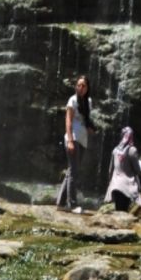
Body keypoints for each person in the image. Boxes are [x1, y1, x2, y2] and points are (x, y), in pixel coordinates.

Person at [56, 75, 96, 214]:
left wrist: (90, 128)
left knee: (71, 171)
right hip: (72, 139)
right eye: (78, 85)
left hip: (82, 140)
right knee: (74, 171)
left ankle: (60, 203)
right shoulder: (72, 100)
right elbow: (68, 121)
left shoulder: (88, 102)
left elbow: (86, 119)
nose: (80, 87)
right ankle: (72, 204)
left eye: (83, 85)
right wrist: (71, 141)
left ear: (87, 88)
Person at [104, 127, 141, 211]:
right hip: (127, 187)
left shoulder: (115, 150)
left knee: (117, 209)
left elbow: (110, 170)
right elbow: (137, 170)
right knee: (124, 211)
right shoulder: (132, 150)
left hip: (115, 186)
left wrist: (110, 183)